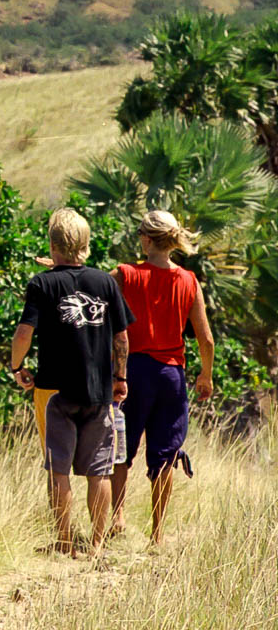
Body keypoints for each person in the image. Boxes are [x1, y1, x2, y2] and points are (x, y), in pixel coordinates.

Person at [9, 209, 133, 557]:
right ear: (86, 244)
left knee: (58, 468)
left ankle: (64, 542)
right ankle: (95, 544)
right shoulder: (105, 283)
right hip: (98, 388)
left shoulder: (41, 283)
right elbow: (121, 337)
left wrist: (16, 366)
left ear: (52, 244)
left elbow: (23, 333)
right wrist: (120, 377)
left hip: (53, 391)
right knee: (99, 470)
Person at [111, 209, 215, 545]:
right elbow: (206, 339)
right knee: (166, 453)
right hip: (171, 374)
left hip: (133, 371)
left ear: (145, 238)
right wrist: (205, 376)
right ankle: (157, 534)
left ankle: (117, 519)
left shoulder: (125, 274)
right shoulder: (188, 280)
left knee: (122, 448)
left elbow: (93, 291)